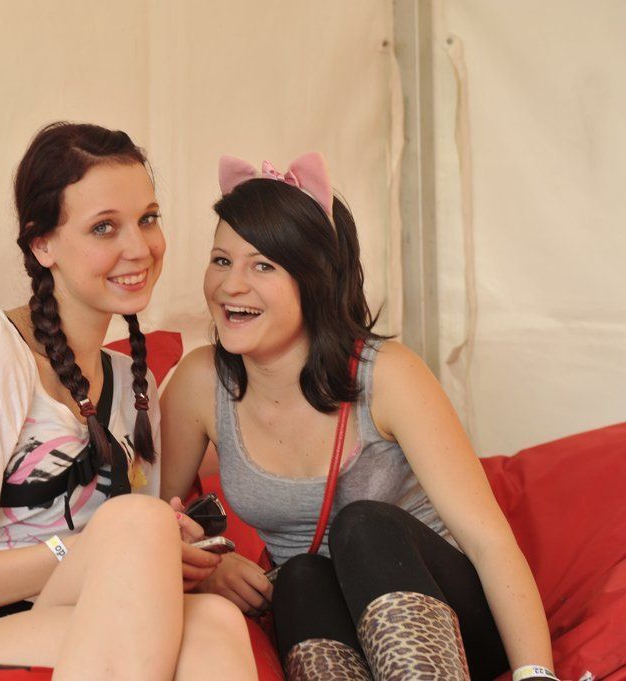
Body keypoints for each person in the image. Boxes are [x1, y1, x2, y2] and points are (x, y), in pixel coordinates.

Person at [0, 122, 258, 681]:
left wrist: (173, 553)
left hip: (55, 613)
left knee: (216, 620)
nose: (139, 248)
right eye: (104, 227)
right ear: (42, 244)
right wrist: (77, 549)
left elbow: (123, 556)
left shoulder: (128, 382)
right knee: (139, 525)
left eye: (148, 219)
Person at [160, 152, 556, 680]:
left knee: (362, 525)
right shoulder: (200, 382)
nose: (231, 285)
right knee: (299, 575)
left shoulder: (387, 375)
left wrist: (535, 674)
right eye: (221, 260)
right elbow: (153, 521)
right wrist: (207, 567)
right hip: (330, 617)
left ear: (315, 278)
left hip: (448, 620)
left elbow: (489, 542)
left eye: (263, 265)